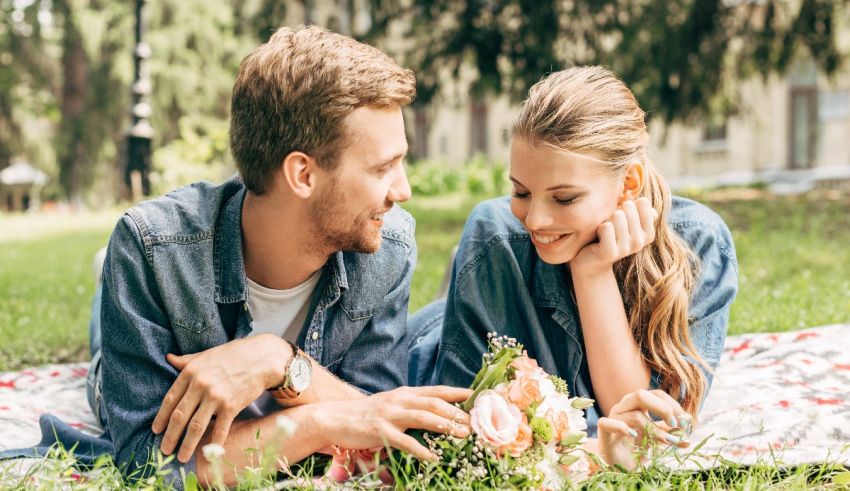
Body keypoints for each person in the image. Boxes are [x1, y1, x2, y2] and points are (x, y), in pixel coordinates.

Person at [89, 25, 472, 488]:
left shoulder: (387, 243)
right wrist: (322, 422)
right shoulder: (153, 250)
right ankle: (105, 280)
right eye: (382, 168)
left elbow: (375, 418)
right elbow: (148, 465)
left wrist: (277, 360)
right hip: (167, 279)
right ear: (303, 175)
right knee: (102, 372)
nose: (403, 190)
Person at [411, 66, 738, 448]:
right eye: (520, 192)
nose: (535, 219)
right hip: (434, 336)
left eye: (564, 198)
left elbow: (657, 428)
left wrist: (593, 272)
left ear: (627, 184)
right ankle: (457, 276)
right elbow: (462, 431)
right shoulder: (496, 235)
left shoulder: (699, 245)